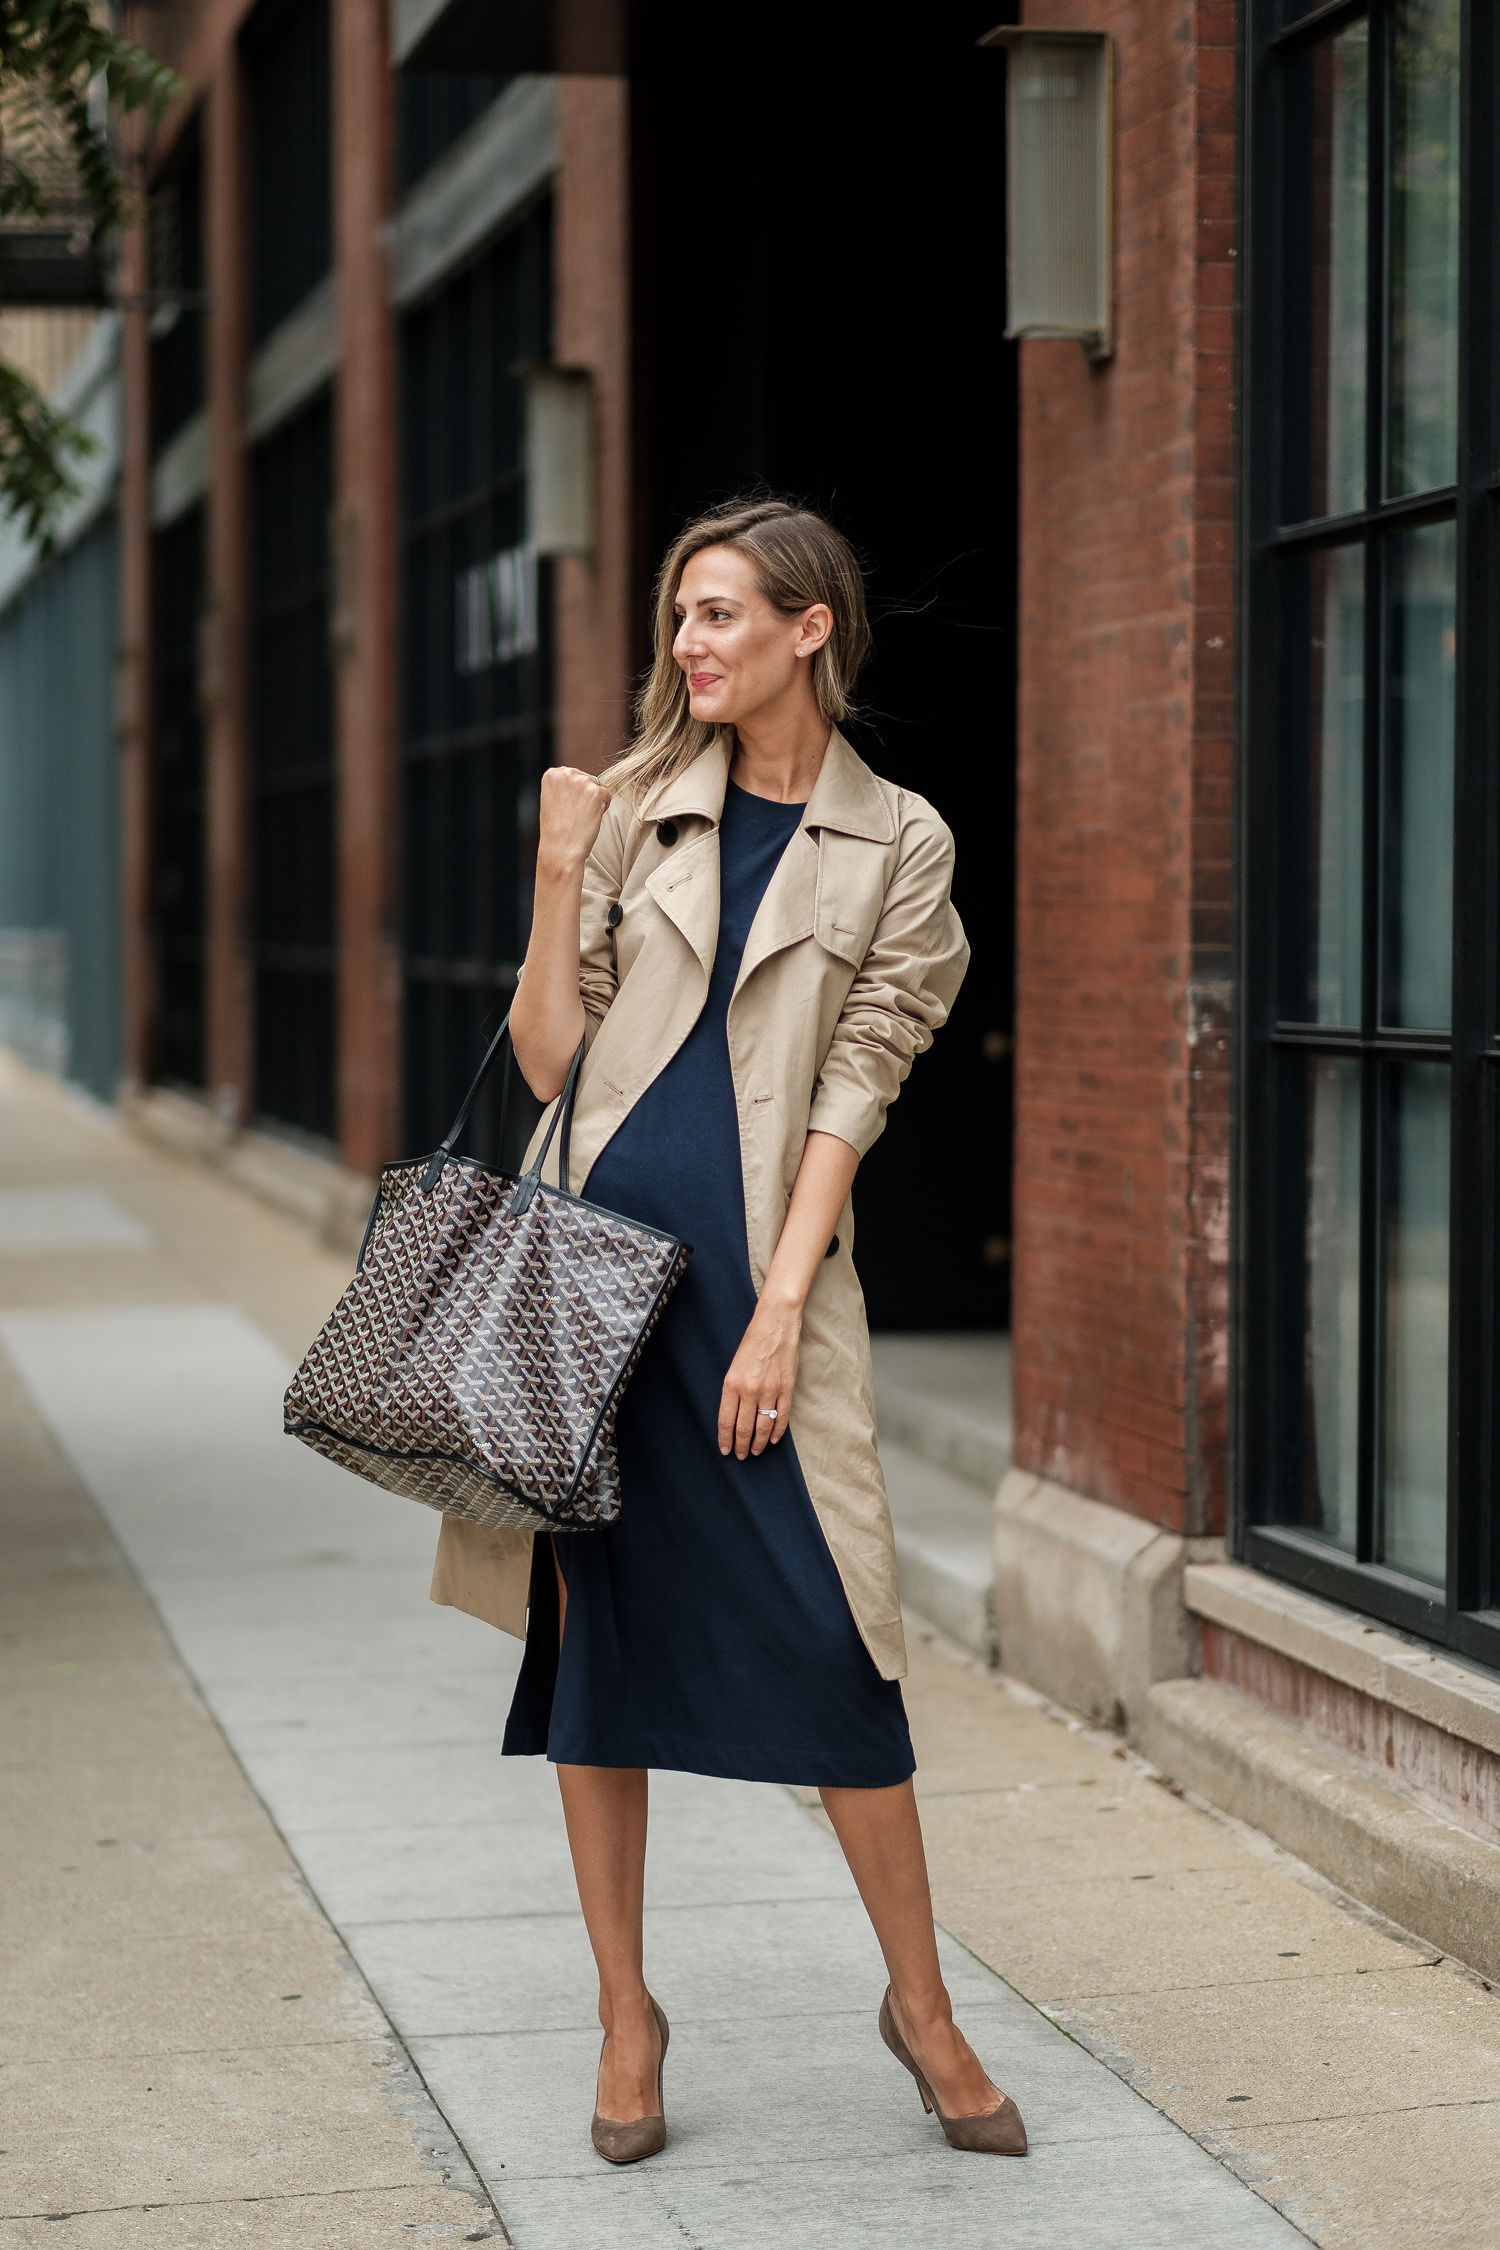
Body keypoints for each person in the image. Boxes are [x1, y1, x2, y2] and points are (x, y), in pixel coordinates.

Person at [430, 496, 1026, 2163]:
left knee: (843, 1647)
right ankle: (628, 2018)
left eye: (716, 616)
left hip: (754, 1293)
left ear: (807, 629)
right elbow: (551, 1062)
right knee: (594, 1658)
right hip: (585, 1289)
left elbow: (861, 1082)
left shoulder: (897, 839)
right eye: (678, 620)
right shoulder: (631, 811)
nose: (685, 647)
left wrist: (777, 1315)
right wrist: (558, 875)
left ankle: (922, 2005)